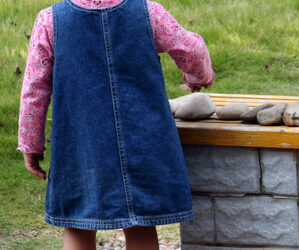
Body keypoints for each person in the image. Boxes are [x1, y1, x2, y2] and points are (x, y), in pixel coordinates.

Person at [17, 0, 214, 249]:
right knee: (140, 222)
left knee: (78, 222)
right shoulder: (148, 12)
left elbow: (35, 89)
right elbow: (191, 51)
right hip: (142, 138)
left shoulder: (50, 20)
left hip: (82, 145)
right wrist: (199, 75)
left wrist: (31, 144)